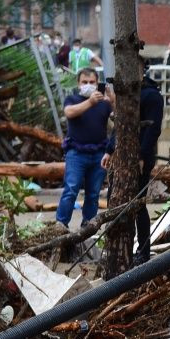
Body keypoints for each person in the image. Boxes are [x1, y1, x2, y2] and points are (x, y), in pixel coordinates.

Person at [103, 67, 164, 264]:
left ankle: (143, 252)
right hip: (120, 157)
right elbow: (119, 127)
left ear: (141, 71)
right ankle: (117, 252)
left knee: (138, 205)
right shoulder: (126, 94)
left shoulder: (152, 96)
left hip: (140, 158)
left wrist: (142, 156)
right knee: (116, 199)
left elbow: (153, 130)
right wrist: (109, 150)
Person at [56, 68, 113, 229]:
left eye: (92, 82)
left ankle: (88, 227)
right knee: (71, 189)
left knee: (93, 194)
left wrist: (113, 99)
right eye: (85, 82)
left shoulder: (104, 103)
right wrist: (90, 102)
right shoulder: (72, 99)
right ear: (78, 84)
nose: (88, 85)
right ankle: (61, 224)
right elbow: (69, 112)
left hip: (99, 153)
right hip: (76, 152)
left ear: (97, 83)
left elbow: (118, 119)